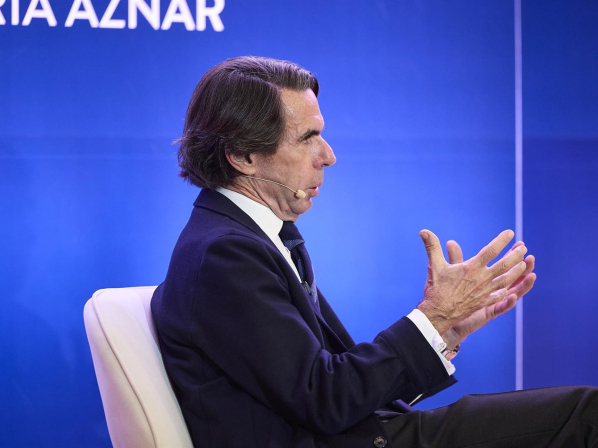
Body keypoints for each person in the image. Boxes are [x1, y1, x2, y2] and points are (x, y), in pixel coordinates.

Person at [151, 56, 598, 448]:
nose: (328, 155)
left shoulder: (250, 238)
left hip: (368, 431)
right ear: (243, 155)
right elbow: (325, 400)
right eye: (307, 138)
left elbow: (337, 389)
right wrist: (434, 316)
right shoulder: (224, 254)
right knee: (585, 415)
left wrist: (446, 330)